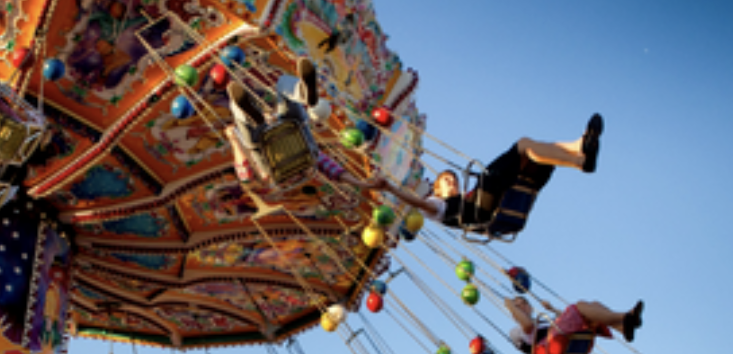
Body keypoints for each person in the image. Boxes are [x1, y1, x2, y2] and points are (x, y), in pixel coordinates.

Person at [381, 114, 604, 230]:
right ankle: (579, 157)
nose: (453, 184)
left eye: (454, 181)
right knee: (522, 144)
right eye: (447, 181)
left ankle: (580, 151)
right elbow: (419, 203)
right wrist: (390, 187)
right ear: (437, 189)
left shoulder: (461, 200)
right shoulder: (438, 206)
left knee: (534, 155)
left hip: (495, 200)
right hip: (484, 205)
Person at [226, 57, 382, 192]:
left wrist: (234, 140)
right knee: (285, 114)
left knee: (252, 135)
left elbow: (245, 174)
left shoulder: (271, 127)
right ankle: (258, 110)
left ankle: (304, 91)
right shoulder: (310, 153)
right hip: (295, 149)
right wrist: (234, 139)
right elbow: (335, 171)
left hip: (275, 161)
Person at [505, 297, 645, 354]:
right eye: (518, 307)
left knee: (593, 305)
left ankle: (622, 327)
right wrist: (511, 306)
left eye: (524, 304)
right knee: (578, 307)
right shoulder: (516, 331)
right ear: (514, 314)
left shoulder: (542, 322)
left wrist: (552, 309)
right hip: (549, 346)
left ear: (530, 307)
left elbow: (563, 321)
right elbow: (527, 325)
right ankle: (625, 317)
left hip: (561, 336)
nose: (522, 307)